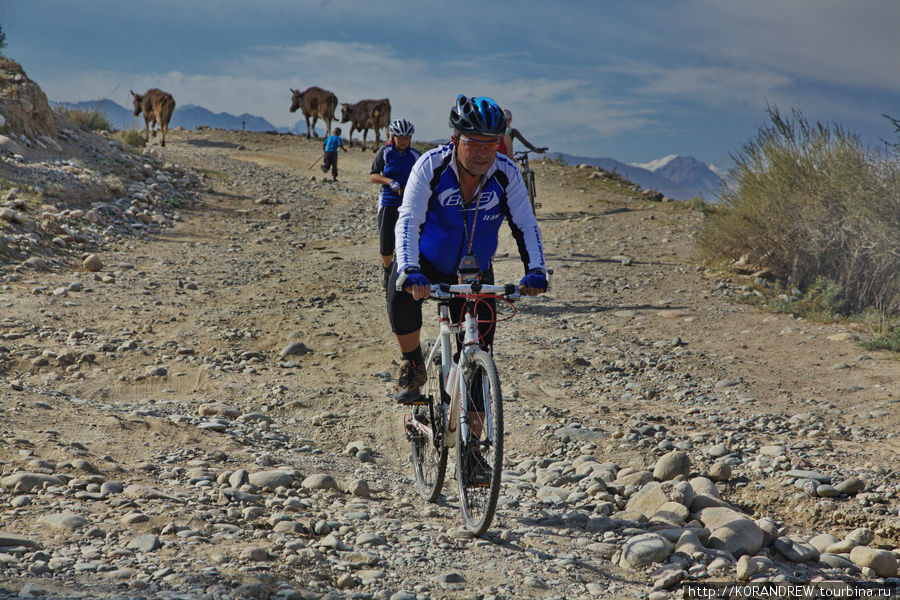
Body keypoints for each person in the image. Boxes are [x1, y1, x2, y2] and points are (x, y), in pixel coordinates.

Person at [387, 94, 548, 405]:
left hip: (474, 269)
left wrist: (536, 270)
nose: (483, 152)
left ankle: (472, 444)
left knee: (477, 358)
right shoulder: (430, 166)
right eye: (474, 143)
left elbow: (525, 225)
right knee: (399, 293)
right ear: (455, 140)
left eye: (491, 144)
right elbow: (408, 220)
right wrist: (409, 269)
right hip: (426, 262)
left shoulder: (506, 173)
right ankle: (413, 362)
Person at [369, 119, 421, 291]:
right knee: (386, 244)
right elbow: (373, 175)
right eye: (400, 137)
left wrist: (409, 188)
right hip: (388, 202)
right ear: (393, 136)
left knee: (409, 239)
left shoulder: (415, 155)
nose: (404, 140)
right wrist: (389, 181)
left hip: (408, 204)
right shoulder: (385, 152)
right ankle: (387, 269)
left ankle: (405, 272)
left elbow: (422, 178)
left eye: (407, 137)